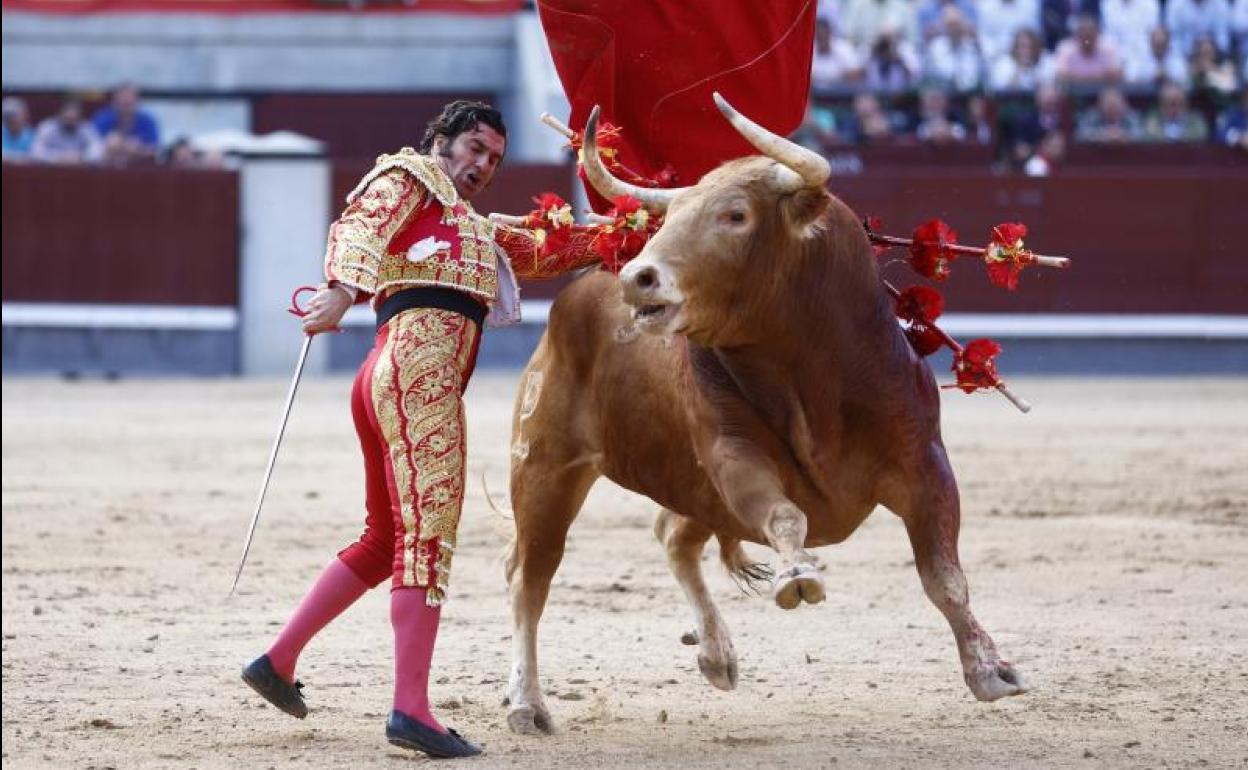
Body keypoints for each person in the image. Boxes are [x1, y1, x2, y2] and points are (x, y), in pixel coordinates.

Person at [240, 100, 603, 759]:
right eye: (473, 148)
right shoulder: (413, 177)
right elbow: (361, 225)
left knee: (388, 539)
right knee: (428, 534)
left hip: (391, 376)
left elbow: (541, 251)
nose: (482, 165)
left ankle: (278, 660)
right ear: (441, 140)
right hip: (416, 372)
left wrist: (623, 236)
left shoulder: (466, 224)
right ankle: (411, 710)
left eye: (493, 158)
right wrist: (341, 292)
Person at [92, 83, 160, 165]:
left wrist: (136, 149)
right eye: (122, 102)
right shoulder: (102, 119)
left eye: (129, 102)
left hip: (139, 167)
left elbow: (154, 150)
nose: (125, 105)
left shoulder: (148, 121)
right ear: (114, 101)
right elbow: (92, 150)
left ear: (137, 101)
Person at [1054, 13, 1126, 85]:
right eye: (1084, 37)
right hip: (1073, 92)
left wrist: (1076, 77)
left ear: (1097, 35)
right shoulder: (1066, 49)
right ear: (1077, 36)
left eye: (1090, 37)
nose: (1087, 41)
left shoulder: (1109, 47)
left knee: (1112, 95)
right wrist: (1101, 77)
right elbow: (1060, 76)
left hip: (1103, 90)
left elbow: (1118, 73)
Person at [30, 97, 103, 164]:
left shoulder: (86, 128)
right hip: (51, 170)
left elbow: (98, 151)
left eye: (73, 119)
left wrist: (81, 157)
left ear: (80, 118)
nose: (70, 122)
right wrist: (58, 157)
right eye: (67, 119)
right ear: (60, 115)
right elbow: (36, 151)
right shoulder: (47, 127)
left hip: (79, 170)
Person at [990, 27, 1056, 90]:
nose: (1027, 51)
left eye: (1031, 46)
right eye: (1023, 46)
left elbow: (1051, 86)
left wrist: (1034, 74)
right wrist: (1019, 70)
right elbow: (999, 89)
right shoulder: (1004, 64)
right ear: (1016, 48)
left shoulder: (1045, 60)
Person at [1143, 80, 1212, 139]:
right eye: (1171, 104)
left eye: (1180, 104)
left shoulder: (1196, 120)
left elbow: (1200, 136)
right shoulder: (1152, 121)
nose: (1175, 109)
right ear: (1161, 105)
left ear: (1186, 104)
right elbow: (1150, 138)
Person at [1125, 25, 1190, 85]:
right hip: (1144, 94)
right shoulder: (1140, 55)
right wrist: (1152, 75)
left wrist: (1166, 76)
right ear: (1151, 42)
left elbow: (1184, 79)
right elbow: (1131, 77)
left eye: (1162, 44)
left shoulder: (1176, 56)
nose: (1159, 47)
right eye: (1157, 44)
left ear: (1168, 43)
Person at [1075, 86, 1144, 141]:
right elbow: (1080, 134)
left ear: (1124, 105)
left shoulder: (1131, 116)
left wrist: (1122, 135)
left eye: (1115, 106)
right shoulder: (1091, 116)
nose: (1112, 110)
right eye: (1109, 106)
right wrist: (1103, 134)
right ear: (1099, 105)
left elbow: (1141, 135)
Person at [2, 96, 34, 160]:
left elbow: (36, 156)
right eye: (7, 116)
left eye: (14, 115)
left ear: (24, 115)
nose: (11, 119)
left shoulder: (32, 135)